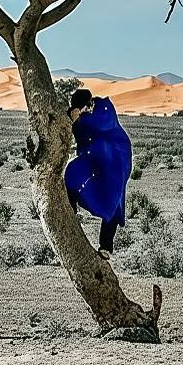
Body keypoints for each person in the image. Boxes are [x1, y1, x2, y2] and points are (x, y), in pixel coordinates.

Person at [64, 88, 132, 259]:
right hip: (96, 157)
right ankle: (71, 206)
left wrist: (78, 119)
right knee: (73, 171)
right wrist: (74, 120)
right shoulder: (84, 117)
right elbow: (81, 137)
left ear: (89, 103)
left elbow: (101, 124)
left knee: (114, 200)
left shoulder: (104, 107)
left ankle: (106, 246)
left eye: (84, 108)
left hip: (117, 160)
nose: (84, 112)